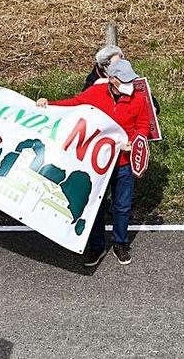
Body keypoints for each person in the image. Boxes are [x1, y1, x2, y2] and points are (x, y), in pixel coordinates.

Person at [38, 58, 151, 267]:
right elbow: (73, 104)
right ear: (112, 79)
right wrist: (48, 105)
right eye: (123, 80)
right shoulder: (95, 93)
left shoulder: (138, 98)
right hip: (98, 164)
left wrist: (134, 141)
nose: (129, 84)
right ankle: (96, 247)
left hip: (124, 162)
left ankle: (120, 243)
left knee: (122, 205)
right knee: (95, 205)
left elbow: (143, 125)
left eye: (130, 80)